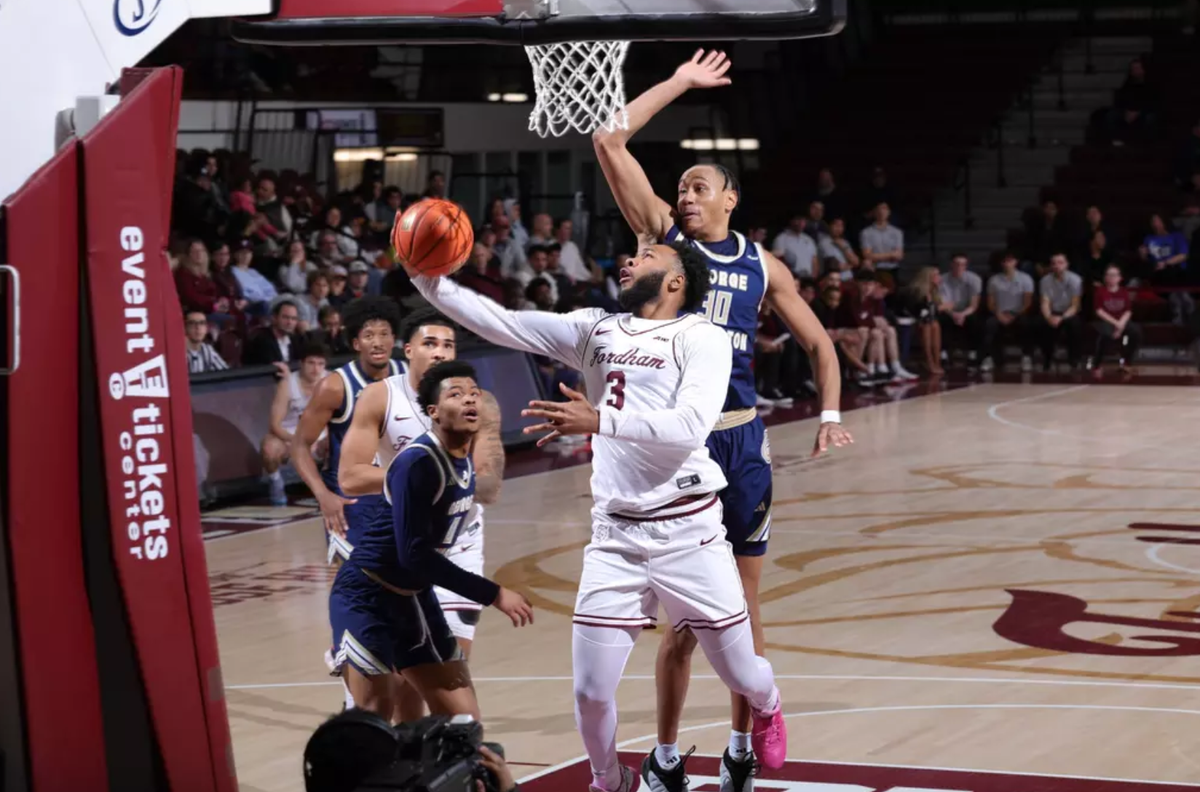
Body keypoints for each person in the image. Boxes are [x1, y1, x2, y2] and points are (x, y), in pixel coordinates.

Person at [409, 238, 791, 792]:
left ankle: (768, 701)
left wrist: (600, 422)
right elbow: (502, 321)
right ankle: (611, 781)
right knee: (589, 692)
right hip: (616, 537)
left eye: (649, 256)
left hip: (690, 530)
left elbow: (689, 426)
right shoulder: (595, 328)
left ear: (677, 281)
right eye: (630, 255)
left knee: (741, 672)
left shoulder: (702, 337)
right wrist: (428, 280)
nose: (629, 260)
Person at [592, 49, 851, 792]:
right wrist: (679, 82)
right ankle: (667, 753)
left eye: (698, 186)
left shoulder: (762, 265)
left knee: (742, 603)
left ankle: (742, 739)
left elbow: (818, 342)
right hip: (676, 447)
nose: (686, 195)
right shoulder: (661, 243)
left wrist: (829, 411)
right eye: (680, 187)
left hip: (742, 439)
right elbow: (610, 141)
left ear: (730, 198)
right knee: (683, 619)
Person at [328, 360, 533, 720]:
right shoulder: (417, 463)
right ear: (434, 412)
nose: (470, 400)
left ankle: (432, 772)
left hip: (414, 597)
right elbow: (414, 555)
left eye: (473, 394)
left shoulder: (464, 457)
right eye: (456, 394)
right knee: (374, 723)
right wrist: (495, 594)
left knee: (463, 720)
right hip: (369, 596)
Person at [289, 297, 404, 707]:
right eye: (368, 334)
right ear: (355, 341)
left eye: (385, 333)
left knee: (397, 602)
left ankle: (374, 678)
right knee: (358, 601)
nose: (378, 341)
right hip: (351, 511)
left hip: (398, 507)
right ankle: (352, 687)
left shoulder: (410, 376)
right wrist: (323, 496)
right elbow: (299, 445)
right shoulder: (336, 385)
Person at [262, 342, 330, 505]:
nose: (315, 368)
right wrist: (297, 440)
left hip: (320, 434)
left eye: (320, 364)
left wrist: (319, 439)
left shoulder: (330, 381)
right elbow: (275, 424)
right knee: (269, 448)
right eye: (311, 363)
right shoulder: (287, 384)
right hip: (291, 434)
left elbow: (338, 418)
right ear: (301, 364)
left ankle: (328, 485)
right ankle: (276, 482)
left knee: (342, 441)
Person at [983, 252, 1035, 373]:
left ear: (1015, 262)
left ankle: (1026, 357)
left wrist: (1015, 315)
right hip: (1000, 313)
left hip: (1018, 313)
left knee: (1026, 324)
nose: (1008, 264)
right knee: (989, 325)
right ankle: (989, 358)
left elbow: (1027, 303)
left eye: (1010, 261)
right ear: (1001, 263)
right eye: (1005, 261)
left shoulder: (1025, 279)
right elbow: (991, 303)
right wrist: (999, 314)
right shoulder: (993, 280)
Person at [1091, 264, 1141, 379]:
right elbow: (1099, 311)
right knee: (1106, 335)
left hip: (1122, 320)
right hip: (1106, 320)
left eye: (1114, 275)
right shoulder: (1100, 291)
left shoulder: (1124, 292)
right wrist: (1116, 324)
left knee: (1136, 332)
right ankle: (1097, 365)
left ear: (1119, 278)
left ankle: (1127, 362)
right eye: (1109, 275)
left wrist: (1121, 324)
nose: (1112, 278)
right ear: (1105, 278)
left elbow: (1128, 310)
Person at [1036, 253, 1084, 371]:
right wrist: (1049, 317)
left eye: (1060, 262)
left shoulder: (1075, 280)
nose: (1057, 266)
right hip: (1052, 311)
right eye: (1054, 263)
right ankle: (1047, 359)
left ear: (1067, 265)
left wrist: (1061, 317)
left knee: (1075, 325)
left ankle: (1074, 360)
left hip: (1069, 312)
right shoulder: (1045, 281)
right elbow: (1045, 303)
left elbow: (1075, 305)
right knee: (1041, 324)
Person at [905, 267, 945, 375]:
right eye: (936, 275)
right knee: (927, 326)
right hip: (913, 320)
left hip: (928, 320)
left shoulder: (934, 292)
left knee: (935, 325)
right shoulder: (917, 291)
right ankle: (928, 361)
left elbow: (933, 313)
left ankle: (937, 361)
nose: (939, 278)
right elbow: (915, 311)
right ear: (929, 278)